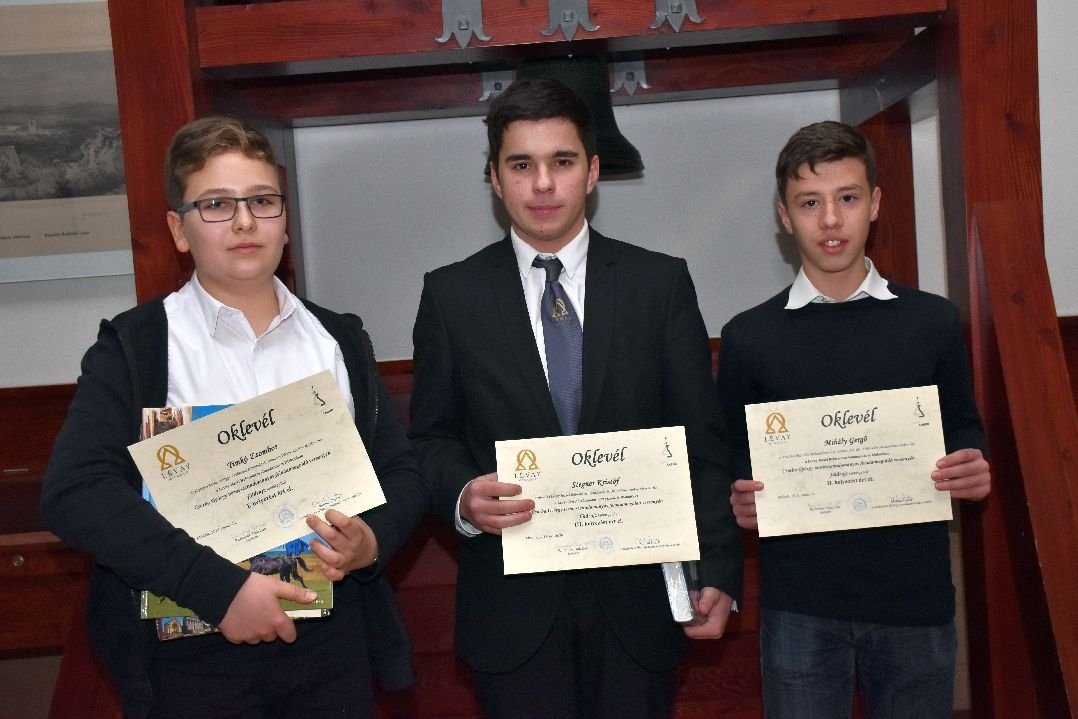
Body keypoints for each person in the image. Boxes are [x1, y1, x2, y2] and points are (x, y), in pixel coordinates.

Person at [40, 116, 430, 718]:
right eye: (217, 204)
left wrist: (369, 540)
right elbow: (77, 493)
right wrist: (221, 592)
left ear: (284, 221)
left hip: (331, 644)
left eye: (262, 201)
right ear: (179, 230)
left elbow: (402, 473)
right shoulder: (137, 347)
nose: (245, 222)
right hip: (191, 650)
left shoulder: (338, 339)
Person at [409, 77, 742, 718]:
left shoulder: (659, 283)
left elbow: (701, 441)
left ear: (591, 172)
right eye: (521, 165)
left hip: (641, 603)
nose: (542, 184)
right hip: (512, 611)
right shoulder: (451, 296)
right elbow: (431, 438)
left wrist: (719, 570)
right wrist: (462, 495)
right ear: (494, 177)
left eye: (561, 162)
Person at [719, 120, 992, 719]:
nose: (830, 219)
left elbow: (963, 428)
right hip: (800, 605)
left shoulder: (932, 321)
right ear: (785, 217)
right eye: (809, 203)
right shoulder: (748, 337)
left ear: (875, 203)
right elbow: (732, 454)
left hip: (914, 600)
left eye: (847, 198)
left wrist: (975, 467)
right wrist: (738, 494)